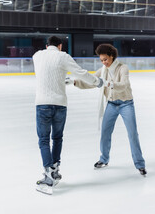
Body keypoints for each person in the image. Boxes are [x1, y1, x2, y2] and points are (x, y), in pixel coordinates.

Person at [33, 36, 103, 195]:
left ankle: (48, 174)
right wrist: (97, 82)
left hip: (42, 103)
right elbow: (81, 72)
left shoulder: (37, 55)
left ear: (46, 45)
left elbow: (46, 71)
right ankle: (55, 170)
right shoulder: (63, 56)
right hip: (60, 104)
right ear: (60, 45)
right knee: (57, 138)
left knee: (44, 139)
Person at [73, 43, 147, 176]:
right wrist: (76, 82)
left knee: (132, 134)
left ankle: (140, 164)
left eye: (105, 59)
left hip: (126, 104)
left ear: (112, 56)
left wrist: (107, 83)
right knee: (105, 133)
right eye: (101, 60)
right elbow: (93, 81)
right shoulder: (103, 70)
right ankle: (104, 159)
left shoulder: (123, 68)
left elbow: (124, 85)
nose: (104, 62)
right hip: (111, 105)